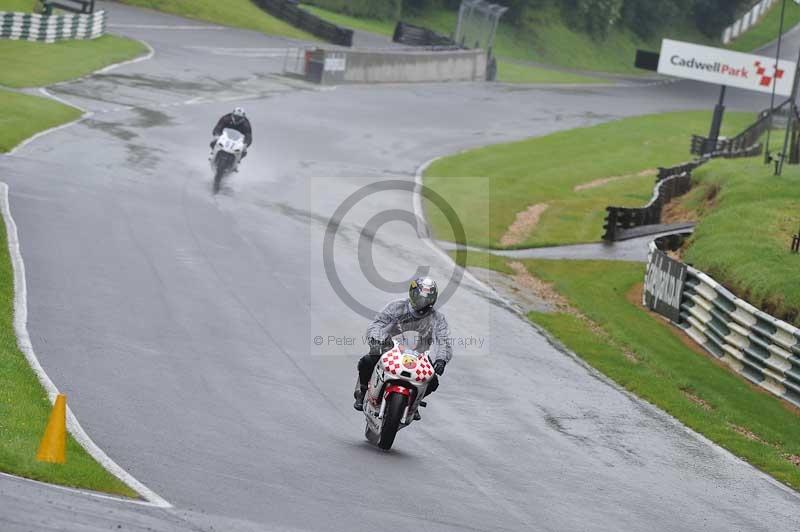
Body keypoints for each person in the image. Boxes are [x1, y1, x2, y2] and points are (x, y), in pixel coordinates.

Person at [354, 277, 451, 417]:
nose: (422, 302)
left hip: (420, 356)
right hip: (389, 348)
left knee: (433, 380)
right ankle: (362, 392)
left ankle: (415, 402)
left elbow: (444, 341)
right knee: (367, 361)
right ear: (412, 293)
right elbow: (377, 324)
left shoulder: (438, 318)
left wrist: (441, 359)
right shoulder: (396, 306)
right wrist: (376, 339)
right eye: (420, 297)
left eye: (427, 299)